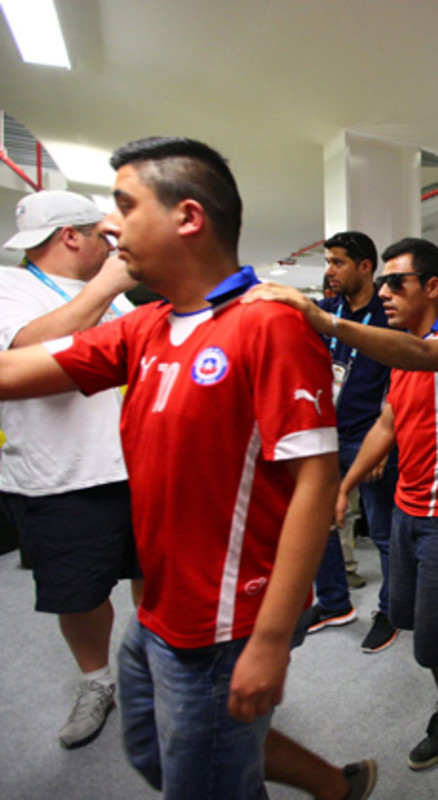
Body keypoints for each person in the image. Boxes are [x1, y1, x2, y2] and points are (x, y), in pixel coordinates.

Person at [0, 138, 373, 799]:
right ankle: (334, 788)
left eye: (124, 204)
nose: (109, 225)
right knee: (153, 753)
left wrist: (271, 640)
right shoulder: (145, 326)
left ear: (189, 218)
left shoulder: (267, 323)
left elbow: (314, 486)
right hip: (160, 611)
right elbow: (11, 371)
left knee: (197, 779)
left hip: (225, 622)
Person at [246, 236, 438, 772]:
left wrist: (325, 322)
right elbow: (387, 422)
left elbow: (426, 356)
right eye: (384, 284)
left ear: (433, 286)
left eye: (397, 283)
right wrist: (345, 485)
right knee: (407, 617)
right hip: (407, 508)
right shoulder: (400, 344)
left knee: (435, 638)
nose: (386, 293)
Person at [0, 190, 142, 750]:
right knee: (78, 592)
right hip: (61, 476)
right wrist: (110, 282)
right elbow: (22, 352)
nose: (113, 246)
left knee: (150, 571)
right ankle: (97, 681)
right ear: (70, 236)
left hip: (135, 465)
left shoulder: (116, 302)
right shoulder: (11, 288)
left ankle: (150, 666)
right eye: (103, 236)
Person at [310, 230, 399, 654]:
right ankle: (332, 603)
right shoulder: (327, 310)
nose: (329, 271)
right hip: (328, 433)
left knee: (383, 530)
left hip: (372, 436)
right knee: (321, 523)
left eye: (338, 262)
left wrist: (385, 439)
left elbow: (402, 380)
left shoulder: (387, 314)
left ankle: (391, 611)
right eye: (328, 261)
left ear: (366, 267)